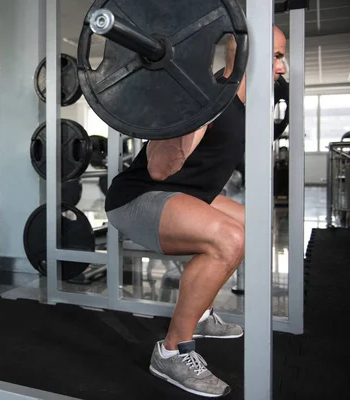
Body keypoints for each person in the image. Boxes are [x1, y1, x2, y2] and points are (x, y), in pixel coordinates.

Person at [104, 26, 288, 398]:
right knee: (227, 240)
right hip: (139, 196)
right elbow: (158, 169)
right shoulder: (204, 94)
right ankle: (171, 351)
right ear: (249, 54)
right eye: (277, 55)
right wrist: (195, 115)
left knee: (251, 227)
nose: (282, 67)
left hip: (185, 194)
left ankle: (199, 313)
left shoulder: (245, 101)